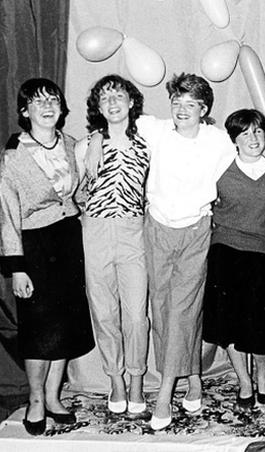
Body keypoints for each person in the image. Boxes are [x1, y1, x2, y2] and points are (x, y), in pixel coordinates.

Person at [86, 73, 265, 430]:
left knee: (182, 309)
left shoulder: (216, 140)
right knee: (162, 309)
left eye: (190, 104)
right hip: (157, 230)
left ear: (203, 109)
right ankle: (193, 377)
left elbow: (252, 144)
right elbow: (114, 121)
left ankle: (164, 395)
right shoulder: (153, 128)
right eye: (176, 103)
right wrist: (95, 140)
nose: (181, 110)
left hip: (196, 232)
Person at [0, 78, 95, 435]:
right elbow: (6, 215)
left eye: (52, 98)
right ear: (25, 111)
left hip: (69, 242)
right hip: (35, 248)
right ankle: (36, 400)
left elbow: (80, 193)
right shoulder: (12, 157)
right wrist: (17, 268)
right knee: (40, 331)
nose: (47, 105)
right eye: (37, 101)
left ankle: (54, 397)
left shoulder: (72, 145)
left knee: (65, 328)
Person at [75, 75, 150, 417]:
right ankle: (115, 381)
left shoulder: (148, 143)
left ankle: (136, 380)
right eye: (105, 98)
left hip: (134, 232)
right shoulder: (83, 146)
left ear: (131, 102)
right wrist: (94, 139)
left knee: (136, 316)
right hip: (96, 231)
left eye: (119, 95)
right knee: (104, 313)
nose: (113, 102)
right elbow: (76, 195)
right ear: (99, 108)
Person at [202, 109, 265, 410]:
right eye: (246, 133)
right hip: (225, 249)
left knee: (263, 325)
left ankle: (262, 377)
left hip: (263, 251)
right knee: (231, 323)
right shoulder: (221, 165)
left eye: (259, 132)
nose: (253, 138)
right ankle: (244, 382)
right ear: (234, 139)